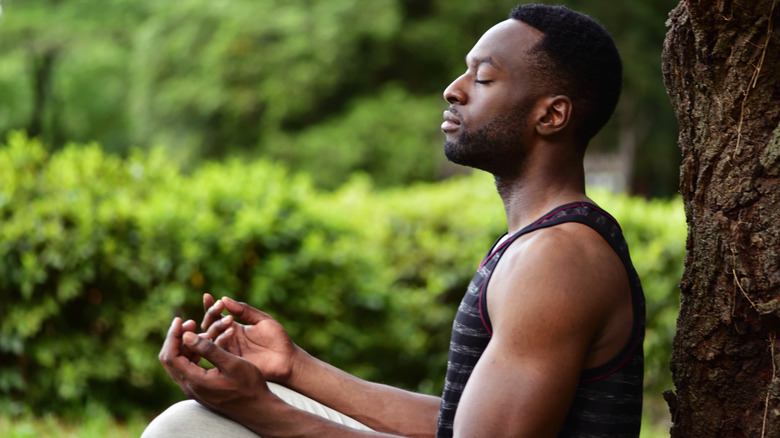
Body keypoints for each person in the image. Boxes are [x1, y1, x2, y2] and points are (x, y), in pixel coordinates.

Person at [142, 4, 645, 437]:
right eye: (464, 72)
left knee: (190, 430)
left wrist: (266, 412)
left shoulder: (558, 259)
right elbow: (459, 424)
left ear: (551, 116)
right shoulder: (538, 243)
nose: (454, 89)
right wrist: (294, 368)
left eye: (484, 77)